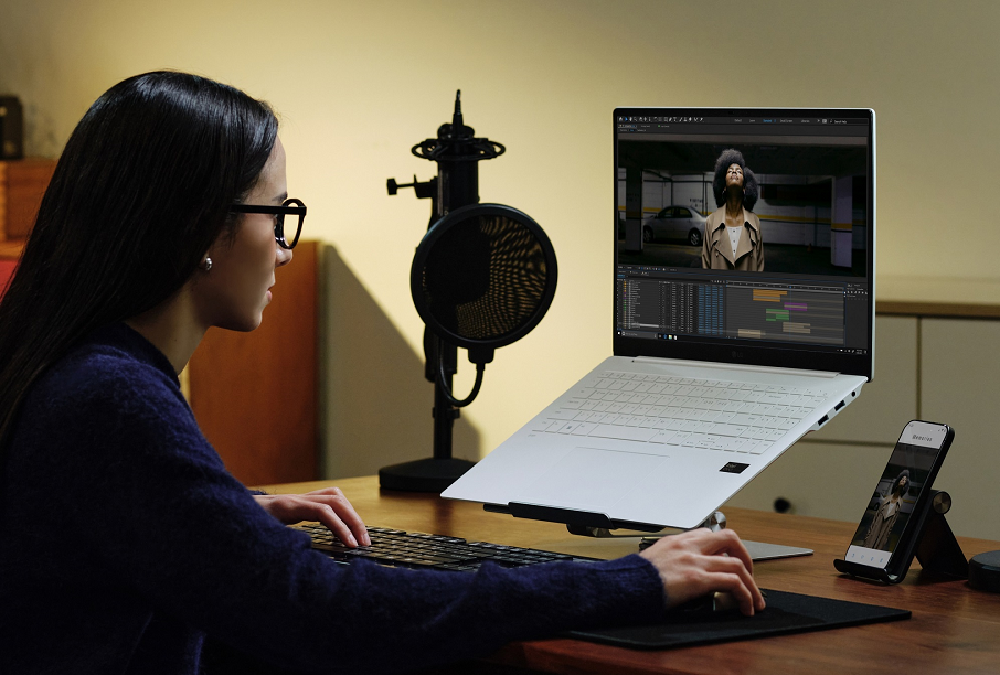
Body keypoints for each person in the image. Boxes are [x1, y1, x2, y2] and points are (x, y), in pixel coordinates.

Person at [0, 72, 764, 674]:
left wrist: (220, 523)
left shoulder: (71, 368)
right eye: (277, 213)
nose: (287, 247)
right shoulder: (112, 399)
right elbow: (324, 611)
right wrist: (631, 580)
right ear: (204, 228)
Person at [701, 148, 764, 271]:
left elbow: (760, 265)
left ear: (745, 188)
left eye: (739, 171)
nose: (734, 172)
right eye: (729, 171)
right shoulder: (711, 221)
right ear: (723, 186)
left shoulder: (754, 222)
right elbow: (706, 264)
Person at [862, 470, 910, 550]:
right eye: (902, 479)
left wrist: (885, 539)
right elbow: (876, 516)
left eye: (905, 480)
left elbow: (892, 524)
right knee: (868, 545)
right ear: (898, 481)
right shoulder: (887, 498)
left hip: (884, 531)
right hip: (876, 528)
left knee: (877, 548)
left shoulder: (900, 502)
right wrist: (868, 534)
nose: (903, 481)